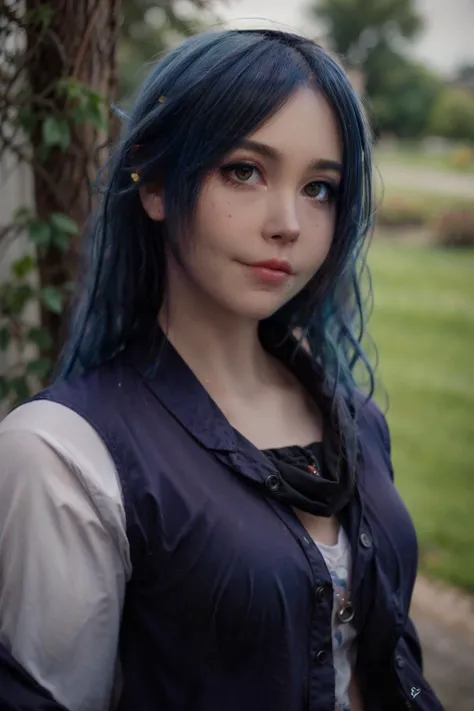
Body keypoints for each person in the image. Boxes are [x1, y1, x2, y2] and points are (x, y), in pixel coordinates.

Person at [0, 28, 444, 711]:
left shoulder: (356, 418)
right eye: (244, 169)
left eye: (320, 187)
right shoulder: (62, 454)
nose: (288, 222)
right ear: (152, 183)